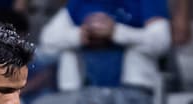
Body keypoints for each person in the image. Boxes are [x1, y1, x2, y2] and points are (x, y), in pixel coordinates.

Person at [39, 0, 171, 91]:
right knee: (66, 52)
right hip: (81, 95)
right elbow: (47, 39)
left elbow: (162, 40)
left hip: (135, 93)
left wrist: (115, 32)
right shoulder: (81, 2)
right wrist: (81, 34)